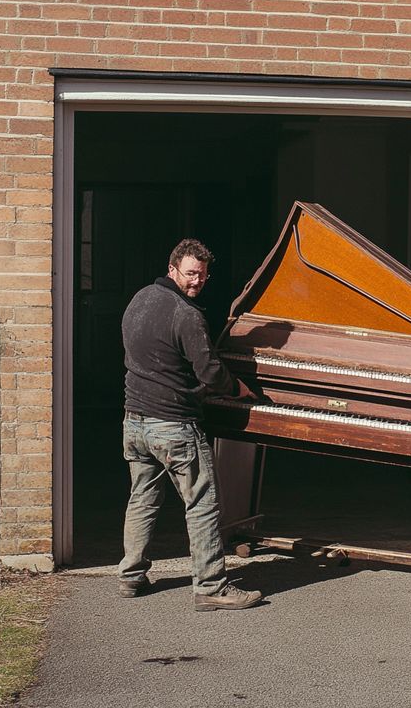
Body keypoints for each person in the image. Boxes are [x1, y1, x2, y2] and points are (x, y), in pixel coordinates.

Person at [118, 238, 263, 611]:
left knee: (142, 497)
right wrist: (238, 388)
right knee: (202, 503)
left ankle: (131, 576)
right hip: (173, 425)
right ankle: (212, 587)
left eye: (202, 275)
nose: (197, 281)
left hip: (135, 422)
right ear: (173, 269)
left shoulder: (139, 300)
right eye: (190, 273)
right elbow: (210, 372)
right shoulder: (186, 314)